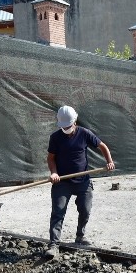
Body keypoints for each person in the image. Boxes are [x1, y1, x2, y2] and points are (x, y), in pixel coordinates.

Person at [47, 105, 115, 251]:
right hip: (62, 182)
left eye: (68, 126)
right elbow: (51, 158)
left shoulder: (84, 133)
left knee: (85, 209)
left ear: (75, 122)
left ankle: (80, 236)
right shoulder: (55, 138)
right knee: (58, 212)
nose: (66, 129)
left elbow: (102, 146)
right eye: (64, 127)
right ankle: (54, 244)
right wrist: (54, 173)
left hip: (83, 181)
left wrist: (109, 161)